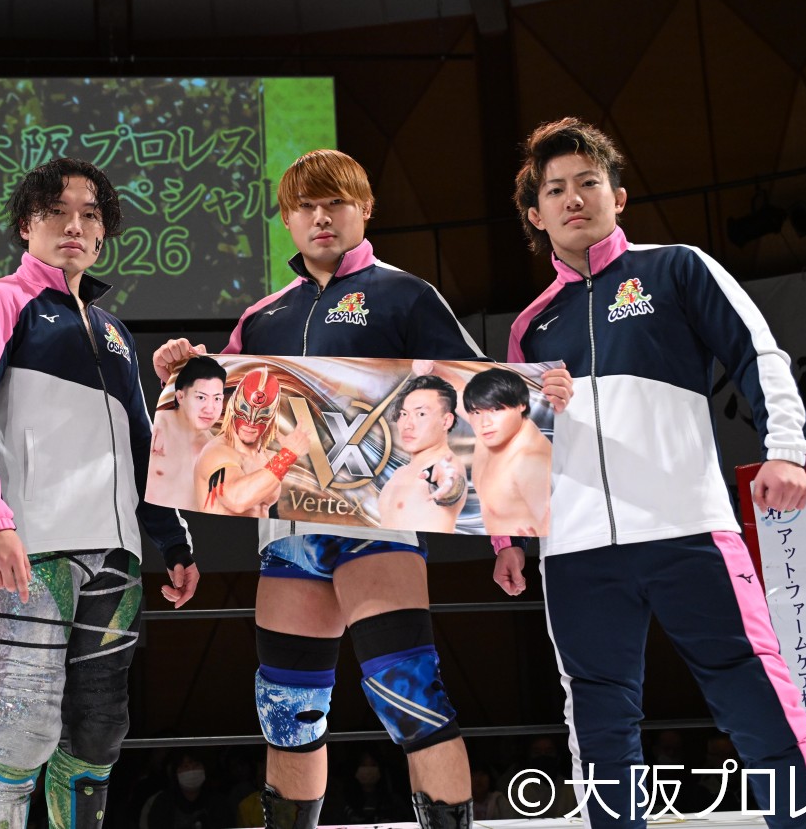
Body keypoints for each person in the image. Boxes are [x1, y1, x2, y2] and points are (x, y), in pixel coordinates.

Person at [154, 149, 570, 828]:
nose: (321, 217)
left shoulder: (407, 296)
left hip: (379, 530)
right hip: (287, 538)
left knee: (410, 699)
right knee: (288, 715)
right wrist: (180, 375)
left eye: (335, 203)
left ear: (365, 209)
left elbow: (481, 403)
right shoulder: (261, 319)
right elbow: (220, 423)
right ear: (286, 220)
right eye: (305, 206)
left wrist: (505, 536)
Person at [493, 117, 806, 828]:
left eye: (588, 181)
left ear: (618, 195)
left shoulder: (677, 267)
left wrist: (785, 449)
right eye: (555, 189)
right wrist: (508, 537)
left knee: (753, 695)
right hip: (576, 549)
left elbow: (758, 355)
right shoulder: (530, 327)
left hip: (687, 525)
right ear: (536, 215)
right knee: (598, 720)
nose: (573, 198)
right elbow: (515, 443)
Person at [0, 157, 200, 829]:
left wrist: (173, 542)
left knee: (100, 728)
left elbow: (143, 444)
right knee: (23, 723)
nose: (74, 226)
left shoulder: (115, 332)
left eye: (89, 215)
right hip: (34, 547)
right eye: (56, 212)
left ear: (104, 232)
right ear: (26, 225)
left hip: (117, 554)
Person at [193, 367, 311, 517]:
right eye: (244, 408)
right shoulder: (216, 452)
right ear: (233, 406)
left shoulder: (270, 457)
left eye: (263, 412)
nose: (250, 422)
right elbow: (236, 500)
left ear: (272, 416)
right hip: (220, 531)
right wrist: (288, 455)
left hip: (261, 532)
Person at [461, 368, 550, 536]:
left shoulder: (529, 463)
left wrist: (517, 545)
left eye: (495, 410)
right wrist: (429, 368)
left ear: (521, 405)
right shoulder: (489, 433)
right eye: (476, 412)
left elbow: (558, 529)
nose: (485, 422)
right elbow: (458, 388)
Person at [377, 374, 469, 533]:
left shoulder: (447, 465)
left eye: (421, 414)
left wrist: (449, 483)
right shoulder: (400, 472)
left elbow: (452, 485)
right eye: (404, 414)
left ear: (446, 421)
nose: (407, 425)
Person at [146, 355, 227, 510]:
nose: (210, 409)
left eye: (217, 399)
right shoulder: (158, 427)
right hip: (146, 517)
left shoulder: (215, 449)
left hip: (191, 522)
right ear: (180, 396)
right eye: (201, 397)